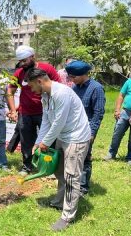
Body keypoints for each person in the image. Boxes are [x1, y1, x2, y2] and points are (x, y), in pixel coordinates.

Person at [26, 68, 91, 231]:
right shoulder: (45, 96)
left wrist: (46, 143)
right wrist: (38, 141)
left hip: (76, 138)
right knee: (60, 172)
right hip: (62, 136)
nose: (32, 90)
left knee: (71, 176)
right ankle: (59, 202)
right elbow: (47, 121)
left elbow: (58, 122)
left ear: (40, 81)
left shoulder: (61, 93)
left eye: (32, 86)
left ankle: (67, 216)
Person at [7, 45, 61, 174]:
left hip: (45, 112)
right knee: (26, 141)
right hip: (25, 113)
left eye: (25, 60)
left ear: (32, 57)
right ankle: (27, 166)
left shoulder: (47, 68)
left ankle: (48, 167)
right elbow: (10, 89)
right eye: (21, 61)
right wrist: (13, 110)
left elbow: (58, 86)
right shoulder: (19, 72)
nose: (22, 64)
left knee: (48, 140)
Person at [66, 60, 105, 195]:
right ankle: (73, 181)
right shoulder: (75, 88)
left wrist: (92, 133)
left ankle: (83, 187)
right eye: (70, 77)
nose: (71, 80)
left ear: (83, 74)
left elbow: (98, 112)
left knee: (85, 157)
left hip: (87, 130)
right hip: (74, 128)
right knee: (74, 156)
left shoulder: (96, 88)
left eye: (73, 77)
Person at [104, 74, 131, 164]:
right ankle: (111, 154)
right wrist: (117, 110)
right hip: (125, 112)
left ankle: (130, 157)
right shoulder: (130, 81)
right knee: (117, 133)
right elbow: (121, 95)